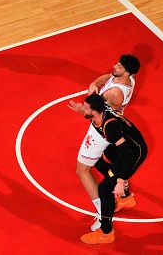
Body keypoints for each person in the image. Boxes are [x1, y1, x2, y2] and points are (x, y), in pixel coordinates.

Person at [67, 54, 140, 231]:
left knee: (82, 169)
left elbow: (93, 111)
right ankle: (125, 197)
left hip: (101, 130)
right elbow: (107, 77)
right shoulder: (128, 78)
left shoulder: (114, 94)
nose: (115, 66)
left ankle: (103, 213)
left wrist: (80, 109)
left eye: (119, 66)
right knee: (103, 160)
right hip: (112, 124)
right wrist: (94, 84)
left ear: (127, 72)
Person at [78, 94, 147, 244]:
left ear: (94, 111)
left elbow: (127, 155)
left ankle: (106, 233)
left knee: (104, 188)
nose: (83, 108)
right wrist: (81, 110)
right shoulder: (99, 114)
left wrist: (121, 181)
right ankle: (126, 199)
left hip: (133, 153)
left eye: (85, 107)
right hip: (120, 146)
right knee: (96, 160)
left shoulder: (110, 127)